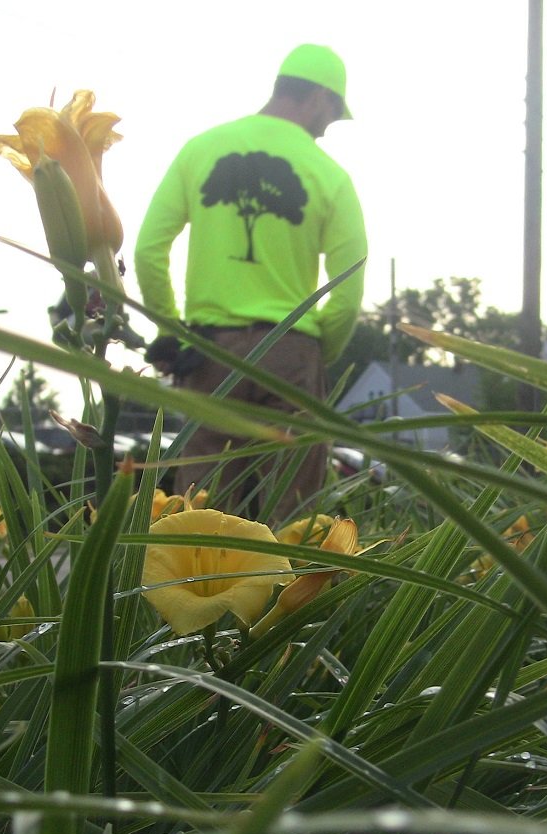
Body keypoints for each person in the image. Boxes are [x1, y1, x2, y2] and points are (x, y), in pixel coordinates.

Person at [134, 43, 367, 520]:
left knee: (202, 515)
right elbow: (346, 295)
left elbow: (148, 250)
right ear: (319, 96)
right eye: (333, 112)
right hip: (292, 355)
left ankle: (198, 591)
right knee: (294, 517)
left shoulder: (201, 149)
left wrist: (171, 332)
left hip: (209, 354)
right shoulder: (332, 177)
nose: (329, 126)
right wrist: (319, 355)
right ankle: (287, 590)